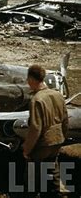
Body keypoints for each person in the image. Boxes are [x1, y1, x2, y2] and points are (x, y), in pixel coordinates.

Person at [22, 64, 68, 197]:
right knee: (53, 172)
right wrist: (61, 138)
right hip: (57, 140)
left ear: (31, 79)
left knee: (31, 179)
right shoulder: (58, 95)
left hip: (43, 144)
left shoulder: (37, 99)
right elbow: (65, 121)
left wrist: (27, 149)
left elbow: (36, 128)